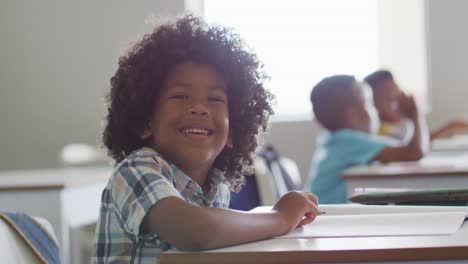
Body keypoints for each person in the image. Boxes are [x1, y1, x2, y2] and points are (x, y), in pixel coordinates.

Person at [93, 14, 321, 263]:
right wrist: (280, 217)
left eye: (214, 99)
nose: (199, 108)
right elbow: (195, 231)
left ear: (233, 130)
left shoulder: (217, 185)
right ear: (146, 121)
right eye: (181, 96)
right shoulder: (136, 170)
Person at [307, 75, 424, 204]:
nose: (376, 111)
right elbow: (413, 152)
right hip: (330, 219)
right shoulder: (346, 140)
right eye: (369, 104)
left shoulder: (334, 140)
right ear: (353, 116)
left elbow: (404, 148)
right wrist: (414, 114)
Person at [364, 70, 468, 142]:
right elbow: (409, 148)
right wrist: (415, 114)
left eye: (399, 93)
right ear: (372, 104)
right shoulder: (380, 132)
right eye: (391, 98)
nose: (400, 102)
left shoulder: (399, 126)